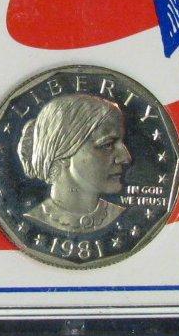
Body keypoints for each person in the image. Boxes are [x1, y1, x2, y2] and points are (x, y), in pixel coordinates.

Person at [18, 93, 132, 234]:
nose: (126, 157)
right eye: (107, 145)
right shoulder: (33, 220)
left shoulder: (124, 217)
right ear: (63, 153)